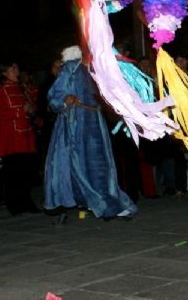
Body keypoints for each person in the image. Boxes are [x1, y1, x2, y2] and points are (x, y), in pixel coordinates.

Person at [44, 46, 137, 220]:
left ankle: (109, 202)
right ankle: (86, 203)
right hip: (77, 123)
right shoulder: (71, 67)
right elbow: (54, 95)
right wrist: (64, 99)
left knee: (102, 164)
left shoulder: (100, 68)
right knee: (77, 165)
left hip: (96, 120)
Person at [0, 61, 40, 215]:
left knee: (26, 170)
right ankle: (14, 204)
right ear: (4, 72)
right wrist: (20, 111)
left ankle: (27, 201)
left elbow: (32, 107)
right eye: (12, 68)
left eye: (17, 68)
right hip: (11, 136)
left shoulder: (22, 88)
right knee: (12, 172)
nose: (16, 71)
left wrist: (32, 109)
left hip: (25, 134)